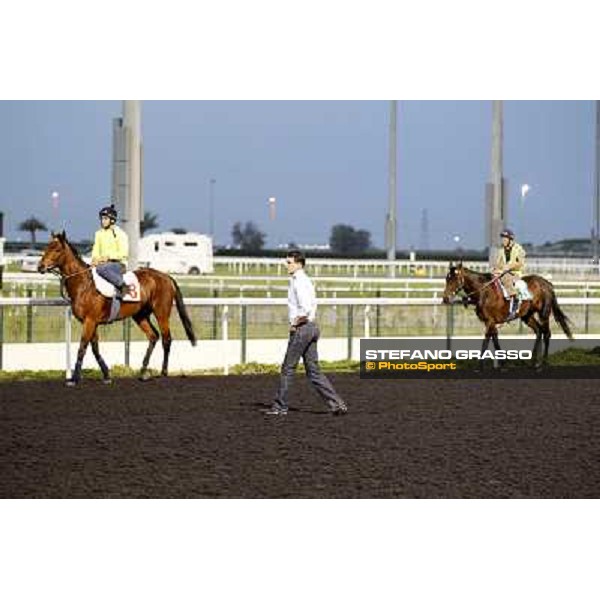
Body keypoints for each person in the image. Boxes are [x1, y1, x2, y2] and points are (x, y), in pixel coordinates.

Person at [265, 250, 348, 416]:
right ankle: (337, 404)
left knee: (288, 368)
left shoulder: (299, 282)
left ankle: (280, 406)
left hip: (303, 328)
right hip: (311, 328)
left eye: (289, 262)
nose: (286, 265)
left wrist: (295, 323)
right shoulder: (304, 280)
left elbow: (305, 308)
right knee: (314, 371)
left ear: (298, 264)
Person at [91, 204, 129, 296]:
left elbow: (123, 254)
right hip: (102, 264)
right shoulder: (98, 234)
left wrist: (107, 257)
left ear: (112, 220)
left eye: (105, 219)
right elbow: (95, 250)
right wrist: (95, 259)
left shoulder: (120, 234)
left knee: (101, 269)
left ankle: (122, 285)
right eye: (101, 219)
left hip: (118, 264)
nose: (102, 221)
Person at [492, 228, 526, 321]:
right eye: (502, 238)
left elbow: (520, 263)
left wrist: (509, 267)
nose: (503, 240)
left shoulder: (519, 249)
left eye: (505, 238)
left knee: (506, 278)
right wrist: (495, 270)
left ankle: (515, 300)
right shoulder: (501, 251)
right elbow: (498, 264)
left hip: (515, 273)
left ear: (510, 239)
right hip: (503, 273)